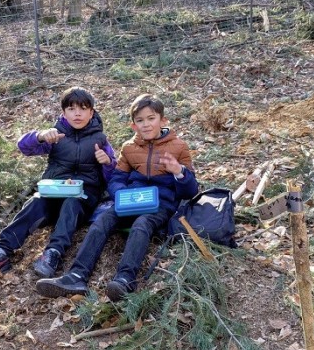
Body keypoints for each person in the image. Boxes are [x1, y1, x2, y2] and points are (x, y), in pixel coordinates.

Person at [36, 93, 198, 301]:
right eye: (140, 120)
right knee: (104, 220)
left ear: (163, 120)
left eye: (151, 118)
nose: (146, 124)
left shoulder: (179, 147)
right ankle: (76, 276)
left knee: (142, 224)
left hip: (160, 204)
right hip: (131, 200)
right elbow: (117, 178)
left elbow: (191, 191)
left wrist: (179, 172)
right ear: (133, 125)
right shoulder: (129, 148)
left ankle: (124, 279)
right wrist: (121, 194)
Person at [0, 87, 117, 281]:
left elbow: (113, 175)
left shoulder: (100, 139)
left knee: (72, 202)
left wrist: (107, 162)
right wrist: (39, 136)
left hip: (83, 197)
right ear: (63, 112)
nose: (77, 114)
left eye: (83, 109)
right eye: (71, 109)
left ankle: (53, 253)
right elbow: (23, 147)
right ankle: (0, 253)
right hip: (54, 191)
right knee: (36, 202)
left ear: (91, 112)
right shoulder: (55, 135)